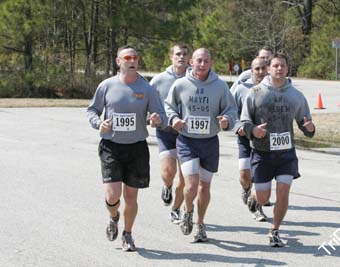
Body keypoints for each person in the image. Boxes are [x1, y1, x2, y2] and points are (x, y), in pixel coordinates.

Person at [87, 45, 167, 252]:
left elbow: (161, 117)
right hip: (111, 146)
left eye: (135, 57)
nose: (132, 61)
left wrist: (157, 120)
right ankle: (113, 217)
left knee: (131, 197)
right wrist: (99, 123)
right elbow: (92, 111)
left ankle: (128, 234)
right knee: (113, 195)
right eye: (127, 57)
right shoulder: (106, 85)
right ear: (118, 61)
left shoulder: (147, 89)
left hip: (136, 148)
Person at [240, 53, 315, 247]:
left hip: (286, 153)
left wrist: (309, 128)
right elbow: (245, 120)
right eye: (275, 66)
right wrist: (253, 130)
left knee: (283, 192)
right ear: (268, 69)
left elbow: (305, 122)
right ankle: (254, 197)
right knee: (264, 196)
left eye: (282, 66)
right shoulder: (255, 92)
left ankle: (275, 231)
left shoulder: (295, 95)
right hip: (262, 153)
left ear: (287, 69)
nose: (279, 69)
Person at [164, 48, 237, 242]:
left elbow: (231, 109)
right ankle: (187, 211)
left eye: (206, 61)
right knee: (191, 186)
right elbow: (169, 106)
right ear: (191, 63)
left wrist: (226, 121)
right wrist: (174, 119)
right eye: (199, 61)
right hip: (187, 141)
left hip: (210, 142)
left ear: (211, 63)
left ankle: (200, 223)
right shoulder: (180, 85)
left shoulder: (220, 86)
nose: (202, 64)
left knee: (204, 187)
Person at [149, 44, 190, 223]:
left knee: (185, 176)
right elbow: (148, 101)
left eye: (184, 54)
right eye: (177, 54)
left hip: (187, 134)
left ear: (189, 58)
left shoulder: (194, 78)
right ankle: (167, 185)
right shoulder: (159, 80)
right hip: (165, 131)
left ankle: (176, 209)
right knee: (168, 171)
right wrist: (149, 117)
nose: (181, 57)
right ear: (171, 56)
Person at [231, 57, 268, 221]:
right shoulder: (241, 89)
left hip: (264, 140)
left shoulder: (274, 88)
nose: (260, 72)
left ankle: (257, 206)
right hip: (245, 137)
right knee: (245, 175)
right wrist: (238, 127)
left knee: (261, 175)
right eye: (257, 69)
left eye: (263, 68)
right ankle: (246, 189)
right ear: (251, 71)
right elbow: (231, 112)